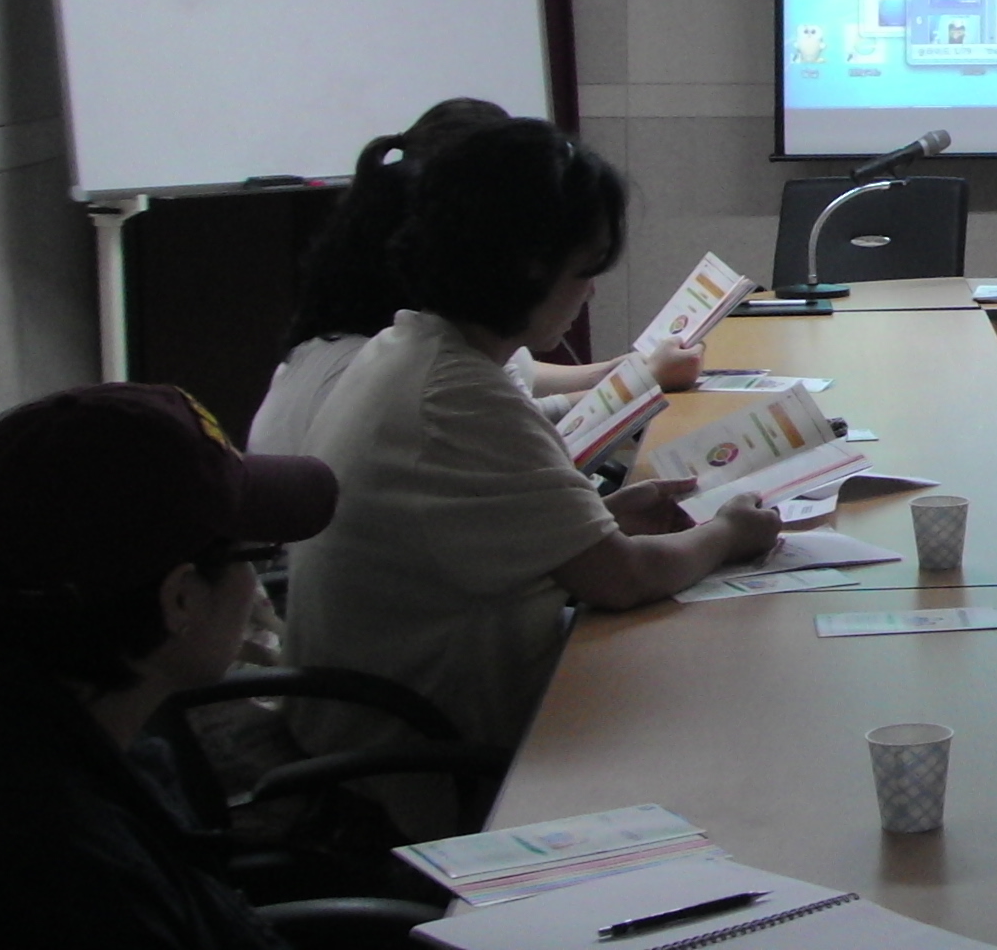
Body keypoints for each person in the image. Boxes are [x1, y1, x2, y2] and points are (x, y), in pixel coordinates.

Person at [284, 118, 777, 836]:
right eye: (584, 272)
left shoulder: (407, 347)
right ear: (525, 267)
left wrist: (601, 522)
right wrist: (730, 532)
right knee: (721, 717)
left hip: (383, 728)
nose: (589, 294)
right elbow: (622, 579)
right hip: (420, 772)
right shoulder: (454, 394)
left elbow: (496, 531)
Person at [0, 383, 340, 948]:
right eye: (253, 554)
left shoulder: (57, 733)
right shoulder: (69, 878)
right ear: (180, 599)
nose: (256, 585)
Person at [250, 97, 700, 457]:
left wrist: (632, 370)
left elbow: (520, 382)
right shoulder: (413, 364)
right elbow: (514, 427)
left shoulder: (417, 330)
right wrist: (641, 381)